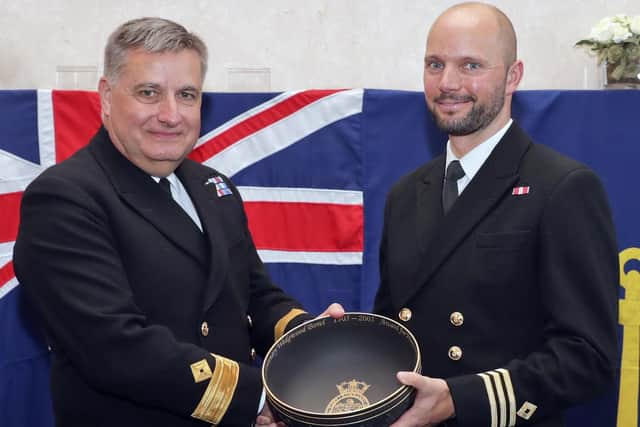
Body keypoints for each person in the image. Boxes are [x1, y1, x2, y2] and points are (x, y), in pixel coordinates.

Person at [13, 17, 342, 427]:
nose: (171, 115)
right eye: (149, 93)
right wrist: (260, 398)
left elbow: (253, 297)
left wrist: (313, 340)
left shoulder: (212, 187)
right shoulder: (65, 199)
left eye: (187, 95)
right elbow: (116, 348)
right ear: (107, 96)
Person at [374, 3, 619, 427]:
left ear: (513, 76)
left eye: (471, 65)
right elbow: (393, 337)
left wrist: (459, 398)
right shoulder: (405, 193)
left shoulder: (562, 187)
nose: (448, 83)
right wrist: (342, 343)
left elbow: (588, 356)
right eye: (435, 64)